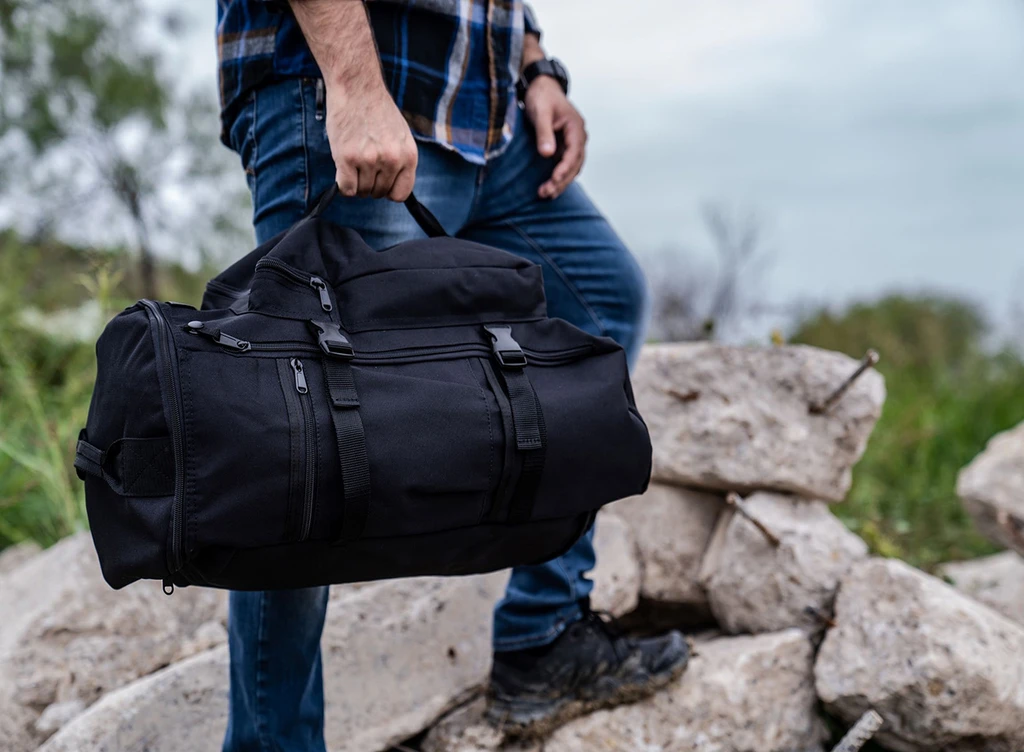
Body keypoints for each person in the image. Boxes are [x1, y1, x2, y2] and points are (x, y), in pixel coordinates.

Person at [215, 1, 689, 749]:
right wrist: (354, 82)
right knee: (298, 439)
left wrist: (535, 65)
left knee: (600, 304)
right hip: (352, 89)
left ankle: (543, 634)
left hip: (490, 121)